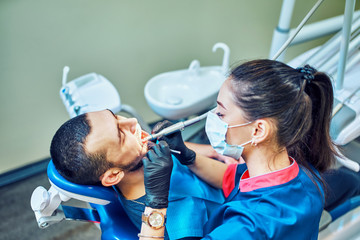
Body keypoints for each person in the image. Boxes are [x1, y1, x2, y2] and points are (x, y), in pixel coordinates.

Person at [139, 59, 339, 239]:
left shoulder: (246, 227)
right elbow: (229, 177)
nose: (214, 117)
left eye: (221, 113)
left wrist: (156, 203)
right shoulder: (304, 175)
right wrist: (188, 155)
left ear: (258, 130)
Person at [49, 110, 225, 240]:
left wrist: (198, 153)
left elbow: (192, 155)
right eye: (121, 135)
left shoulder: (145, 156)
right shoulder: (176, 221)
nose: (132, 121)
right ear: (113, 176)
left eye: (116, 117)